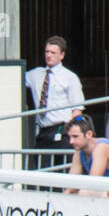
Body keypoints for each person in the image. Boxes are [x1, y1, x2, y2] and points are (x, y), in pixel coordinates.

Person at [25, 36, 84, 166]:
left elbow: (77, 109)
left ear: (62, 55)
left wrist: (69, 130)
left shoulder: (70, 77)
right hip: (44, 130)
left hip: (62, 129)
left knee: (62, 168)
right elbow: (14, 78)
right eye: (47, 52)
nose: (49, 55)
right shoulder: (35, 74)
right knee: (42, 167)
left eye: (53, 53)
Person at [64, 115, 109, 196]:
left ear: (89, 134)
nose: (71, 141)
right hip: (108, 193)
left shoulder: (101, 147)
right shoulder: (79, 149)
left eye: (75, 136)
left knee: (84, 193)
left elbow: (93, 181)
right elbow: (71, 182)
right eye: (69, 137)